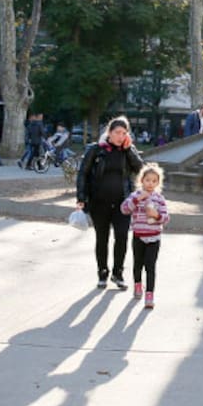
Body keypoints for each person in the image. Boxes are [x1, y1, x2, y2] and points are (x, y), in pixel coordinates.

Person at [76, 117, 143, 290]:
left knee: (121, 237)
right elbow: (83, 173)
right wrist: (81, 197)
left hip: (123, 203)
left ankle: (118, 273)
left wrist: (129, 150)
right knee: (102, 238)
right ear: (109, 133)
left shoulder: (128, 150)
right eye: (117, 132)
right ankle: (102, 273)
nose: (120, 136)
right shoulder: (95, 150)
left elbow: (140, 169)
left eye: (124, 133)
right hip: (99, 203)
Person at [120, 162, 170, 310]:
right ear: (141, 180)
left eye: (154, 181)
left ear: (158, 183)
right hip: (139, 236)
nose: (150, 183)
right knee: (138, 264)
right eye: (148, 180)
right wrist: (137, 199)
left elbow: (166, 218)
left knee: (150, 267)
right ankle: (137, 285)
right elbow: (124, 209)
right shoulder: (135, 195)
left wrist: (157, 215)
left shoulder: (159, 198)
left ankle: (150, 295)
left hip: (154, 237)